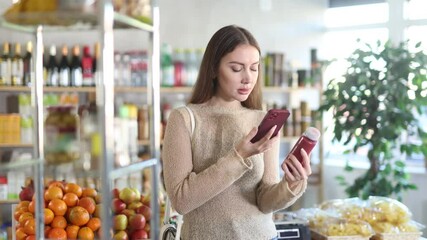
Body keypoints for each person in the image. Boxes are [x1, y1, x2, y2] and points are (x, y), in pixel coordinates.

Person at [161, 25, 312, 240]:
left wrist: (291, 184)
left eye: (254, 68)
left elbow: (265, 201)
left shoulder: (262, 120)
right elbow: (181, 201)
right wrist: (239, 156)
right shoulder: (184, 119)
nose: (248, 78)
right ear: (213, 69)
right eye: (236, 68)